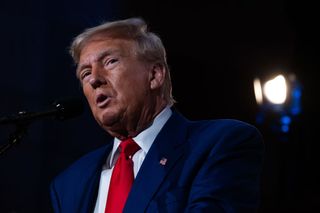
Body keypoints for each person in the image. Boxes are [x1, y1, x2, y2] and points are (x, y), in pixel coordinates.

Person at [50, 17, 264, 213]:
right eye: (85, 73)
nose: (94, 79)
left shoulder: (218, 144)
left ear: (154, 75)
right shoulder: (69, 183)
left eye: (110, 62)